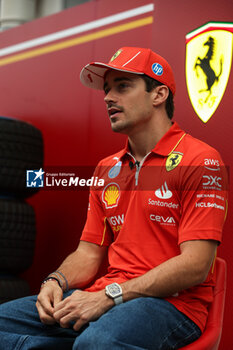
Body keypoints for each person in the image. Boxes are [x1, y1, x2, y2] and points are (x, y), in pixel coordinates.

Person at [0, 47, 228, 350]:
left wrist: (109, 296)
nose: (108, 97)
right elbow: (88, 255)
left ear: (158, 95)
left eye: (122, 86)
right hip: (104, 297)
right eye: (107, 89)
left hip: (174, 306)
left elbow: (196, 264)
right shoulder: (107, 168)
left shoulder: (200, 159)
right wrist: (55, 282)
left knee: (96, 342)